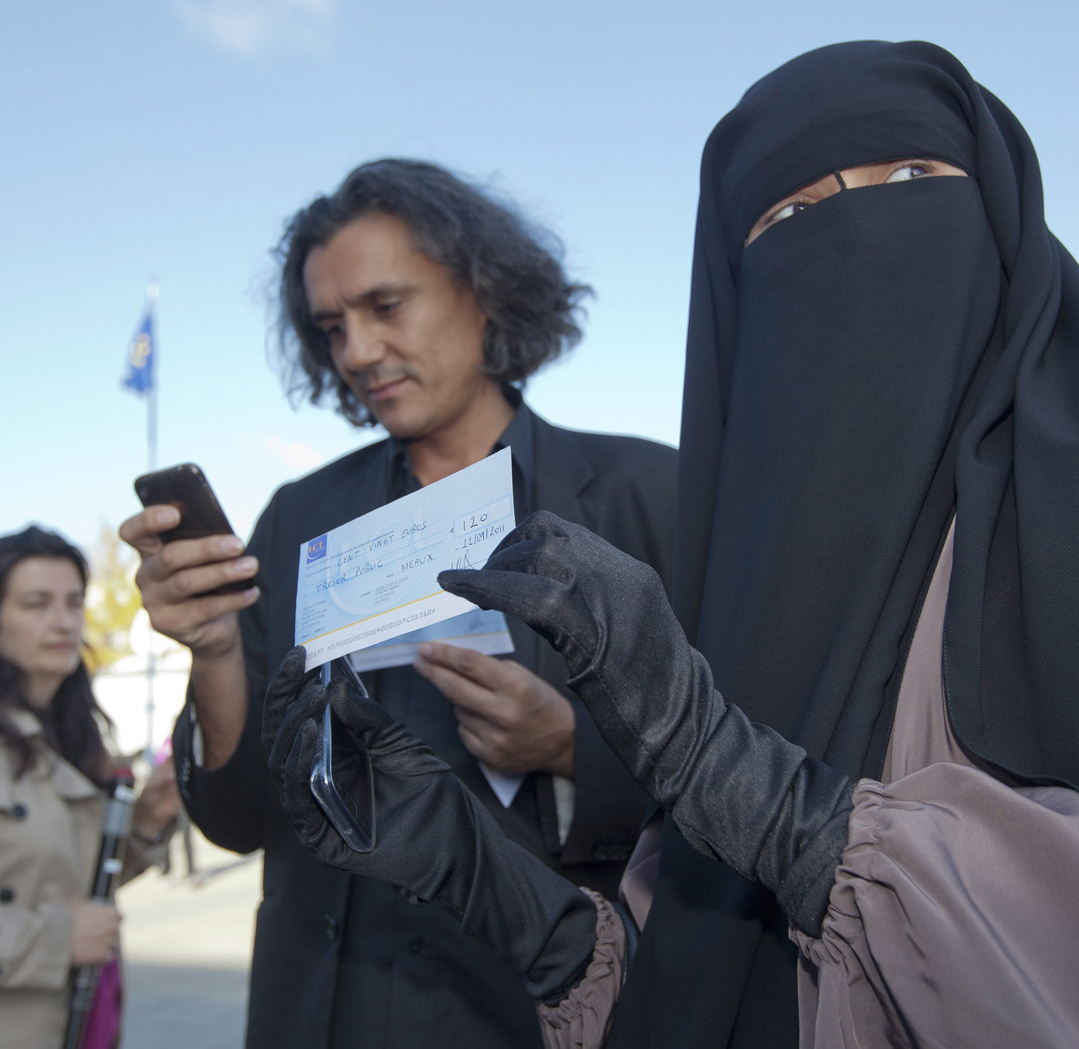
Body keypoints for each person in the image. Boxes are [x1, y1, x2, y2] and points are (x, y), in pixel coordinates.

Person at [264, 41, 1079, 1048]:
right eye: (789, 219)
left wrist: (762, 804)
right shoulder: (760, 556)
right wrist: (509, 899)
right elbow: (718, 983)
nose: (859, 238)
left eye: (910, 179)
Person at [119, 159, 676, 1048]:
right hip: (324, 1007)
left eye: (387, 307)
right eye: (332, 326)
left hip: (542, 1015)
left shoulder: (650, 494)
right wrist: (216, 651)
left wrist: (574, 749)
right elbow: (236, 819)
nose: (357, 352)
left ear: (485, 290)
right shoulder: (298, 516)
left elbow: (751, 778)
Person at [0, 526, 179, 1049]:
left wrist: (145, 822)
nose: (64, 622)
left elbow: (60, 881)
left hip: (71, 1023)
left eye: (74, 602)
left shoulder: (76, 733)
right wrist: (56, 940)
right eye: (37, 604)